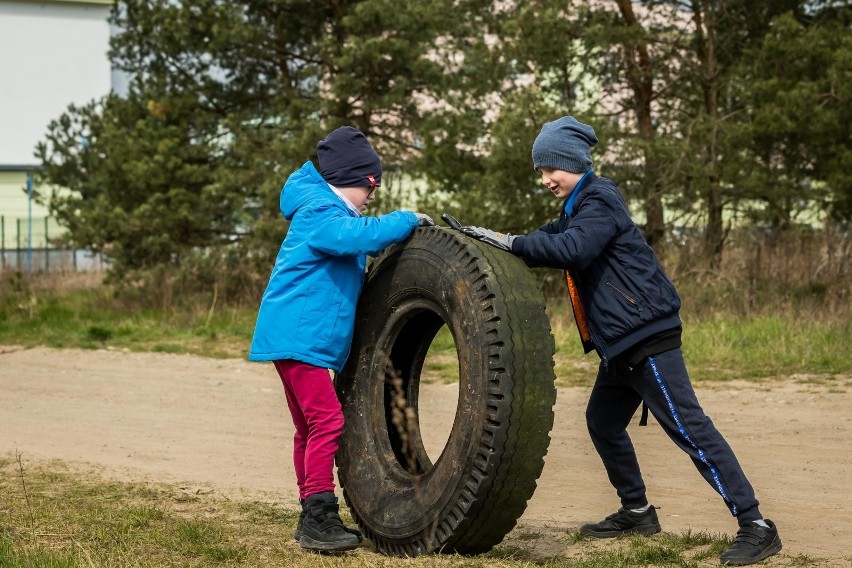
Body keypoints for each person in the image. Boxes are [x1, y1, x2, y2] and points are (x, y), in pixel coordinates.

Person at [456, 116, 782, 566]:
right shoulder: (575, 209)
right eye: (540, 171)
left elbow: (573, 250)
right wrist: (490, 241)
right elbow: (544, 241)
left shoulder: (600, 200)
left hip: (646, 336)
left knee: (690, 427)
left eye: (552, 168)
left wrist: (513, 242)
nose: (546, 178)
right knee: (603, 422)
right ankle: (637, 511)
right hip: (621, 344)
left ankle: (756, 525)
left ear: (575, 162)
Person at [248, 125, 433, 552]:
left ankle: (309, 513)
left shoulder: (322, 210)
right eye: (370, 187)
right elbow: (357, 236)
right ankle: (319, 516)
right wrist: (404, 220)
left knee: (307, 429)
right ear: (351, 180)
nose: (371, 196)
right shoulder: (320, 212)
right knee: (327, 421)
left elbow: (354, 244)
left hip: (294, 339)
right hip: (298, 339)